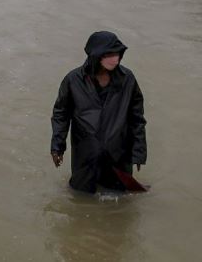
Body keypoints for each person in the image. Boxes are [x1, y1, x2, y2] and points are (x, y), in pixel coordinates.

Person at [50, 31, 147, 193]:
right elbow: (61, 115)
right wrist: (57, 147)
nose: (114, 58)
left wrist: (138, 153)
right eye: (109, 54)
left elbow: (137, 118)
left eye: (117, 53)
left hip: (118, 155)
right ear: (95, 56)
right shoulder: (73, 81)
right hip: (85, 156)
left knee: (120, 202)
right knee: (80, 200)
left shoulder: (127, 79)